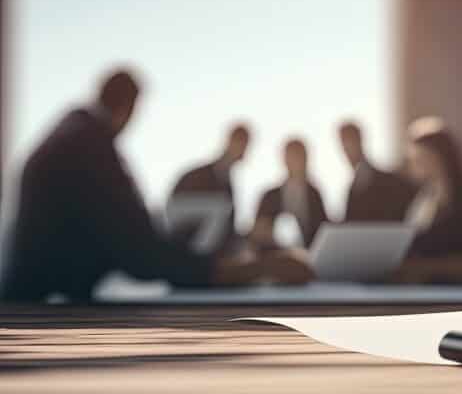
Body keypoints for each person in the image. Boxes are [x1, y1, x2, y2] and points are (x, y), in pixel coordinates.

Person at [0, 69, 311, 302]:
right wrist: (253, 270)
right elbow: (142, 252)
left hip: (38, 293)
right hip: (38, 304)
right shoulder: (90, 147)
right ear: (130, 108)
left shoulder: (72, 132)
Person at [396, 116, 462, 284]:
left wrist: (421, 268)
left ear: (438, 158)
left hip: (453, 289)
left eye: (420, 159)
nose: (414, 165)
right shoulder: (422, 199)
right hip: (420, 287)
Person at [168, 123, 250, 255]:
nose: (244, 150)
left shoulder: (227, 183)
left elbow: (227, 226)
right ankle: (199, 259)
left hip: (198, 231)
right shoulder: (204, 174)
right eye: (242, 144)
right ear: (231, 141)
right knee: (220, 207)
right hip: (176, 215)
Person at [250, 138, 328, 250]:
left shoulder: (314, 194)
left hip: (307, 257)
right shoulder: (270, 196)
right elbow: (257, 233)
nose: (297, 161)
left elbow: (323, 228)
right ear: (284, 160)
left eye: (300, 156)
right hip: (276, 258)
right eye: (293, 156)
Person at [339, 121, 417, 223]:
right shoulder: (353, 186)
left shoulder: (391, 182)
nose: (347, 149)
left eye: (350, 142)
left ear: (360, 140)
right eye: (344, 144)